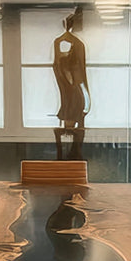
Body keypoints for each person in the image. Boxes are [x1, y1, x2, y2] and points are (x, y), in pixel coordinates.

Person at [52, 9, 89, 159]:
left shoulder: (78, 45)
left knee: (77, 119)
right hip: (69, 96)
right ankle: (72, 155)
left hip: (75, 96)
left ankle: (76, 153)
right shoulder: (61, 45)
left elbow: (81, 74)